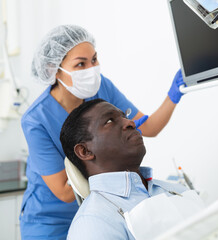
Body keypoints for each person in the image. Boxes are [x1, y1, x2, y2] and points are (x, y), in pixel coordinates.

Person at [20, 25, 185, 239]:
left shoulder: (100, 88)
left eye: (94, 59)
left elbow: (149, 127)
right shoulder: (36, 119)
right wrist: (115, 168)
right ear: (54, 69)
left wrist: (174, 94)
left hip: (101, 213)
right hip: (49, 222)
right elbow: (63, 191)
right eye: (80, 64)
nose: (91, 69)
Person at [60, 99, 190, 239]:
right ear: (85, 151)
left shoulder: (175, 190)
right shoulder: (92, 223)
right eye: (110, 121)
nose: (131, 122)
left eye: (125, 117)